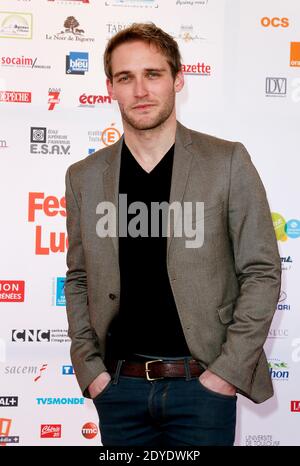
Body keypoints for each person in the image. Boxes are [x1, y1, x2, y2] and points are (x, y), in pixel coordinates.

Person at [65, 23, 281, 447]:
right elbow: (79, 277)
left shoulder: (227, 161)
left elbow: (261, 270)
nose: (140, 90)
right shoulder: (84, 178)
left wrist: (225, 373)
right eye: (126, 78)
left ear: (178, 79)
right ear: (110, 87)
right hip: (119, 391)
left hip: (202, 387)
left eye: (153, 74)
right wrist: (92, 374)